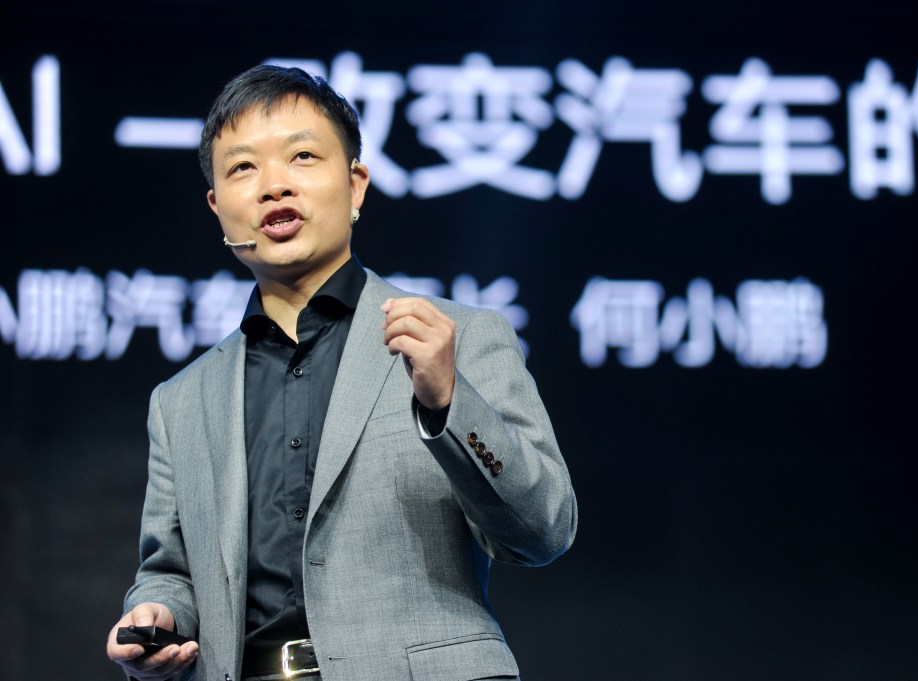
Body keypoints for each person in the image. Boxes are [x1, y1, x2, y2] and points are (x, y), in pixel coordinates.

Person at [105, 65, 577, 681]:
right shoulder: (182, 399)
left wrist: (447, 402)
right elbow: (170, 571)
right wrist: (157, 617)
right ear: (219, 209)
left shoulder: (454, 337)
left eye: (302, 156)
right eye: (243, 168)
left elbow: (544, 529)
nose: (274, 186)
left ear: (355, 185)